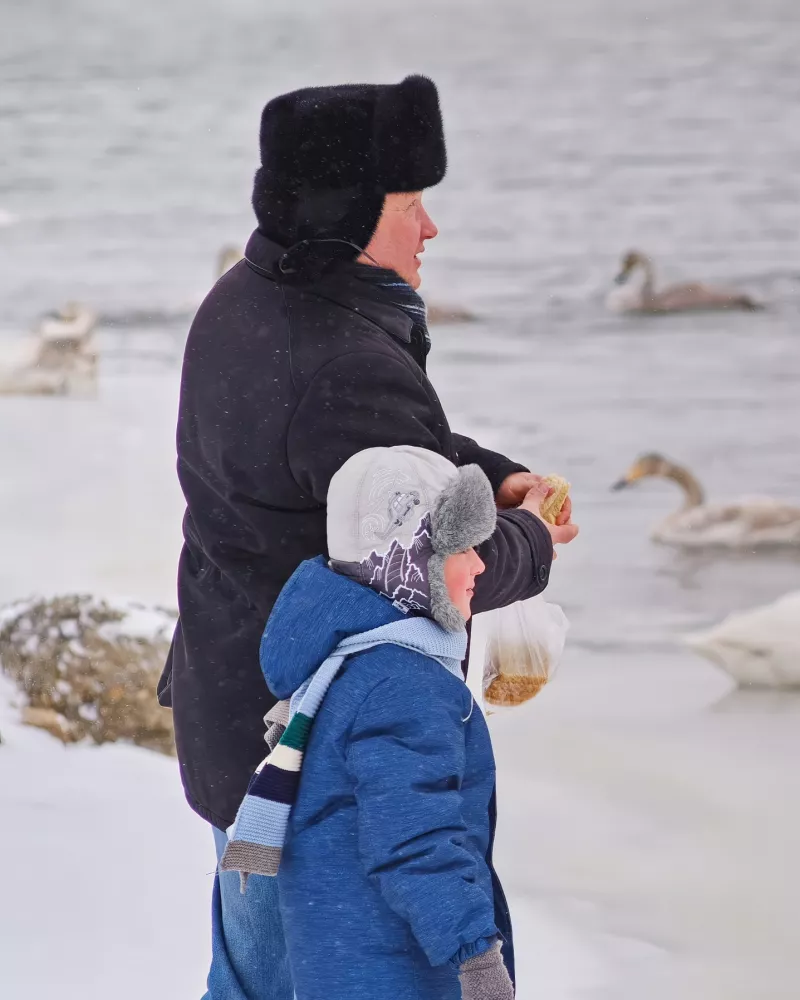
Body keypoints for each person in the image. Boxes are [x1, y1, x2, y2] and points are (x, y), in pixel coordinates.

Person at [158, 75, 577, 998]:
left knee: (247, 980)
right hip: (317, 755)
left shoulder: (246, 300)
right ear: (351, 212)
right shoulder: (346, 362)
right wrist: (532, 536)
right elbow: (437, 569)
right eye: (413, 204)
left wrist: (491, 472)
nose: (431, 229)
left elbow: (376, 459)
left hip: (231, 713)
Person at [221, 446, 524, 999]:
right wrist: (475, 954)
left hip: (340, 951)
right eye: (461, 549)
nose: (481, 565)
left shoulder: (342, 664)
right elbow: (414, 839)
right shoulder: (406, 684)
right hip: (400, 965)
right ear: (412, 560)